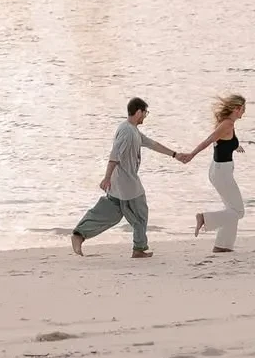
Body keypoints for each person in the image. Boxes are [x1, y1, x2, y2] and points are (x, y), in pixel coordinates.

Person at [70, 97, 184, 258]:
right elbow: (115, 155)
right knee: (140, 214)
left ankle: (79, 234)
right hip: (127, 183)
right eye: (145, 113)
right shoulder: (128, 132)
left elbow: (152, 144)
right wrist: (106, 177)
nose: (145, 116)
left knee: (110, 213)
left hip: (120, 183)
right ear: (138, 112)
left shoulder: (131, 129)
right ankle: (139, 248)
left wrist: (175, 154)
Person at [181, 94, 247, 253]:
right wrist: (191, 155)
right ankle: (204, 218)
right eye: (243, 109)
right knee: (238, 211)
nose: (244, 112)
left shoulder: (228, 123)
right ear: (236, 109)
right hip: (221, 172)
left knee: (231, 209)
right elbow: (209, 140)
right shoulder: (227, 124)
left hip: (220, 170)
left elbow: (223, 143)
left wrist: (235, 146)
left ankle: (222, 246)